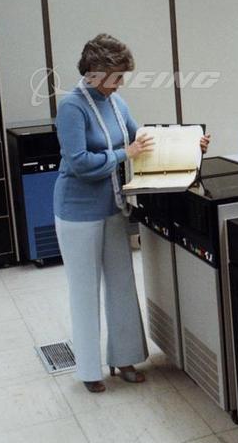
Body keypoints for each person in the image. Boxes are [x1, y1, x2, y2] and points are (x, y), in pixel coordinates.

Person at [53, 34, 209, 393]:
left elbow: (146, 141)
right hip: (77, 212)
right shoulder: (71, 107)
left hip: (112, 206)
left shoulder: (116, 102)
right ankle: (89, 371)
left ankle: (124, 359)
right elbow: (79, 164)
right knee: (84, 290)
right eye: (116, 76)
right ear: (95, 72)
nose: (121, 83)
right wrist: (126, 154)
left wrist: (191, 143)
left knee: (122, 283)